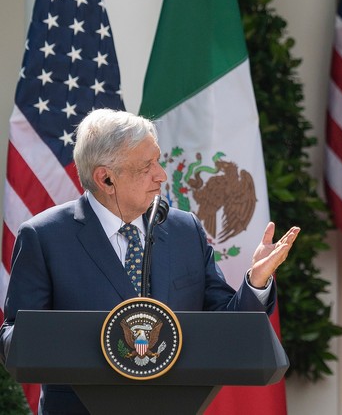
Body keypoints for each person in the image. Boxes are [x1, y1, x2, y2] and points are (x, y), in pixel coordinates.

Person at [0, 108, 299, 414]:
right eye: (147, 166)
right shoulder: (44, 237)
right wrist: (75, 341)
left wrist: (256, 281)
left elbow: (228, 327)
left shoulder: (185, 230)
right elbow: (14, 340)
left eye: (157, 160)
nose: (162, 174)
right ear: (106, 178)